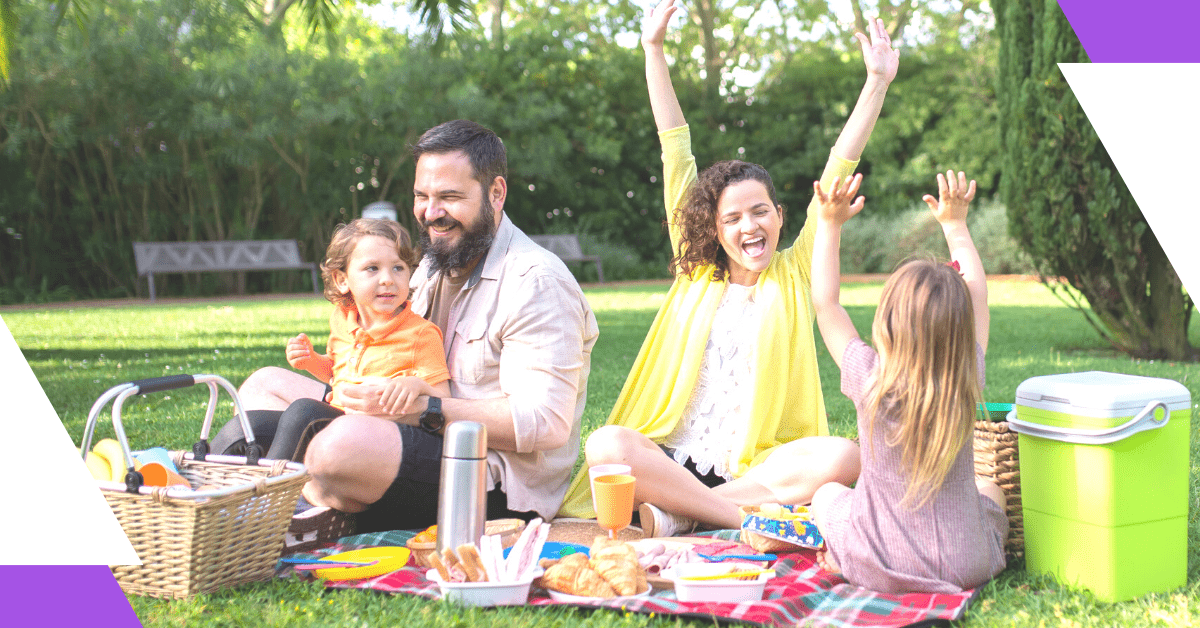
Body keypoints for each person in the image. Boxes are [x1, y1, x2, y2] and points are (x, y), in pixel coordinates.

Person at [557, 0, 898, 537]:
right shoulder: (697, 271)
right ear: (714, 230)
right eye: (732, 217)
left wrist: (876, 81)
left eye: (760, 211)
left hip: (755, 469)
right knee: (606, 445)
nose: (748, 226)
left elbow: (840, 165)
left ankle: (677, 514)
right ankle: (736, 519)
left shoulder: (795, 272)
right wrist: (653, 49)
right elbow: (675, 148)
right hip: (670, 455)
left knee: (842, 457)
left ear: (781, 217)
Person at [225, 119, 599, 535]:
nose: (431, 213)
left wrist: (423, 409)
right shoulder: (432, 268)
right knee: (262, 388)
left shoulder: (536, 282)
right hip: (401, 428)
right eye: (422, 196)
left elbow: (545, 423)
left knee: (335, 448)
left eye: (450, 197)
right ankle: (213, 500)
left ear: (496, 193)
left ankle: (274, 521)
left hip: (487, 477)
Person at [808, 170, 1007, 594]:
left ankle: (837, 554)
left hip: (876, 561)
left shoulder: (869, 377)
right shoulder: (965, 373)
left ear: (888, 322)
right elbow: (978, 296)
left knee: (826, 495)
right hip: (964, 563)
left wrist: (829, 225)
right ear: (961, 328)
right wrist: (955, 225)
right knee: (989, 487)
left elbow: (826, 306)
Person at [210, 218, 450, 463]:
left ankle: (271, 487)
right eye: (372, 268)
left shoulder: (420, 334)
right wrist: (311, 361)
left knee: (304, 412)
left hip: (380, 435)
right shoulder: (343, 319)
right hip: (339, 417)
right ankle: (205, 476)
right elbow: (337, 374)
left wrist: (415, 386)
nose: (388, 278)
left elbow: (444, 396)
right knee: (253, 423)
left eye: (398, 267)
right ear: (342, 280)